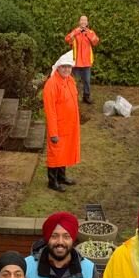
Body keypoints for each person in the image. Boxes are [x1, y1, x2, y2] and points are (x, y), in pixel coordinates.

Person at [43, 52, 81, 192]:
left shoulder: (70, 80)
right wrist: (53, 132)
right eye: (64, 67)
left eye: (69, 67)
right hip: (58, 127)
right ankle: (52, 181)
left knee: (64, 152)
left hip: (69, 126)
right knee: (56, 153)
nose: (66, 69)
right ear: (58, 67)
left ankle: (61, 177)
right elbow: (50, 111)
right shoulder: (51, 84)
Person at [65, 15, 100, 104]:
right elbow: (67, 39)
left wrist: (88, 34)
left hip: (86, 62)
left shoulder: (91, 32)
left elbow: (96, 41)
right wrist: (75, 32)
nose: (83, 22)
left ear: (87, 23)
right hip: (76, 62)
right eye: (82, 20)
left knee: (87, 81)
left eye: (85, 20)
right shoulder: (75, 31)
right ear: (79, 22)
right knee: (74, 82)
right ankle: (73, 97)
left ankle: (86, 97)